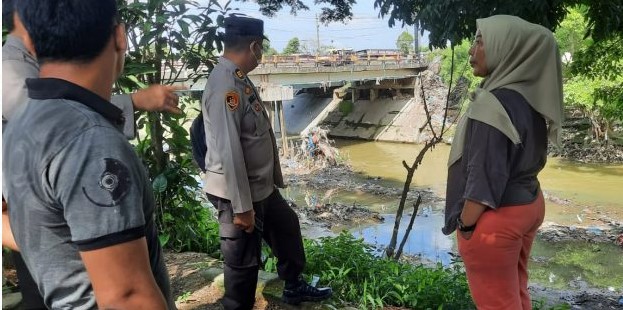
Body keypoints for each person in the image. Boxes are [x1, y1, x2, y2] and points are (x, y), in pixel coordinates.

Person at [1, 1, 181, 308]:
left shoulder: (24, 123)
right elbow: (127, 297)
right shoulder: (89, 140)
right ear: (120, 37)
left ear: (30, 40)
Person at [201, 14, 332, 309]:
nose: (262, 54)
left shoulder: (237, 78)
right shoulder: (226, 86)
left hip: (260, 187)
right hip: (239, 193)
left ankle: (294, 286)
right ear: (254, 46)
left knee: (286, 226)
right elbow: (228, 151)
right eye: (261, 49)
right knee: (243, 263)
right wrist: (242, 207)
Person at [443, 15, 563, 310]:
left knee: (497, 303)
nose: (472, 50)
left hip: (496, 217)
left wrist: (466, 226)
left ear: (506, 48)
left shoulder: (491, 104)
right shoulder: (530, 100)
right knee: (516, 295)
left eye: (481, 41)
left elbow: (483, 179)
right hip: (530, 204)